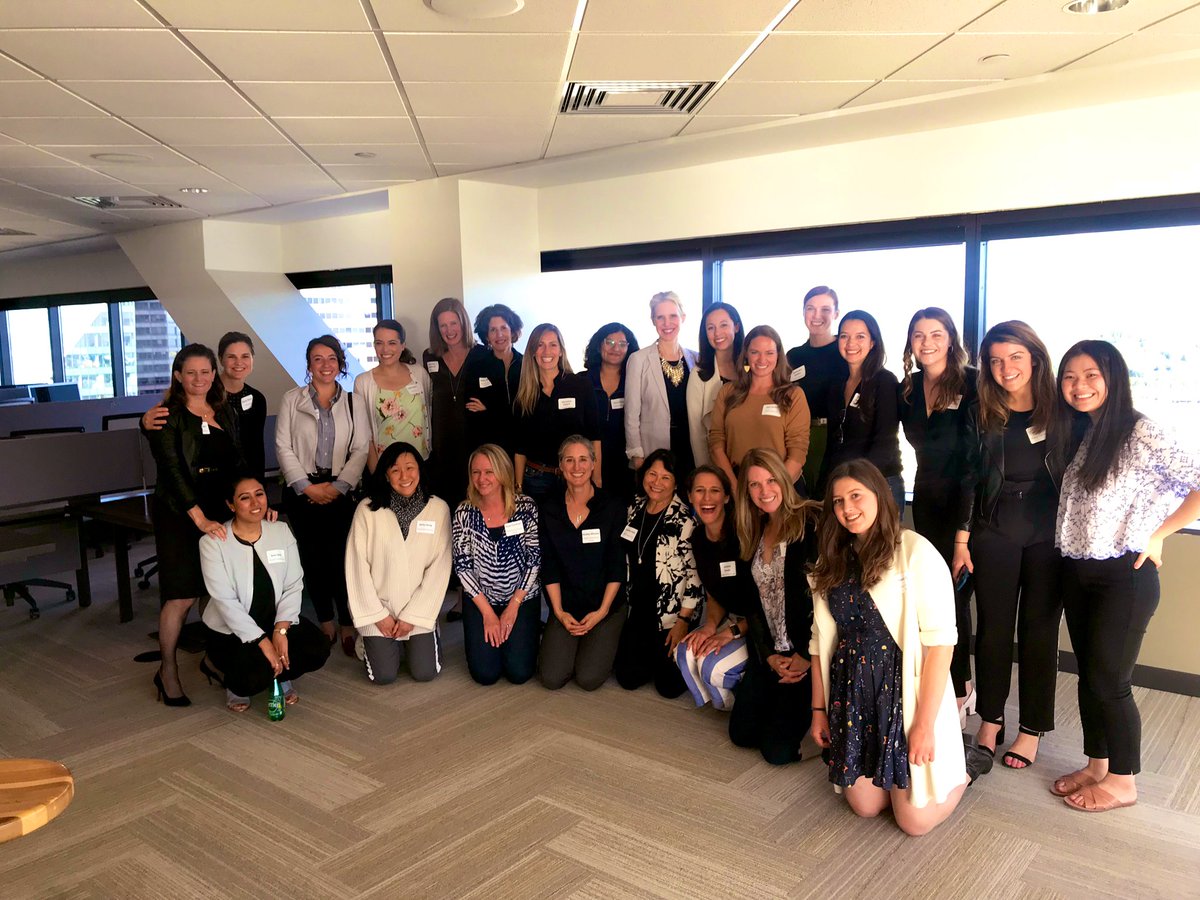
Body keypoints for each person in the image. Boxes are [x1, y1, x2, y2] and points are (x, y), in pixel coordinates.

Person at [1051, 341, 1200, 812]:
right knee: (1090, 676)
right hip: (1080, 571)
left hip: (1125, 575)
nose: (1079, 386)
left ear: (1113, 378)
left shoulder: (1140, 431)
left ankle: (1122, 780)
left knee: (1110, 681)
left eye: (1090, 375)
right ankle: (1097, 764)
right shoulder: (1087, 432)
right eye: (1069, 377)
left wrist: (1159, 534)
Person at [810, 459, 968, 835]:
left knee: (914, 823)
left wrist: (924, 726)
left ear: (879, 496)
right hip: (853, 690)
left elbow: (941, 644)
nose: (847, 508)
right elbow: (818, 642)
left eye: (856, 496)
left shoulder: (915, 552)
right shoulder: (832, 560)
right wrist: (818, 711)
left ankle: (964, 771)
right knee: (865, 807)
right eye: (838, 501)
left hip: (902, 692)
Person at [953, 321, 1061, 771]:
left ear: (1034, 358)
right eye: (995, 360)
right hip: (994, 528)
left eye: (1015, 357)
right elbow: (969, 476)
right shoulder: (980, 410)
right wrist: (961, 539)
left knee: (1039, 631)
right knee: (993, 629)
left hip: (1049, 534)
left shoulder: (1062, 408)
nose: (1005, 368)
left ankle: (1031, 728)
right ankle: (991, 720)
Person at [145, 343, 245, 706]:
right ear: (178, 376)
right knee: (182, 594)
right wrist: (199, 518)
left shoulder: (224, 410)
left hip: (218, 508)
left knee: (215, 590)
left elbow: (237, 462)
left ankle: (213, 659)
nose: (199, 379)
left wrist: (249, 502)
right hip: (180, 512)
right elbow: (172, 472)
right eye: (191, 373)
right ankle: (168, 669)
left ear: (214, 374)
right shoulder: (166, 415)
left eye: (205, 372)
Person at [898, 307, 979, 720]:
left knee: (957, 598)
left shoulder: (972, 382)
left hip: (967, 505)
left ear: (950, 339)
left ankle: (963, 690)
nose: (926, 342)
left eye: (935, 334)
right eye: (918, 335)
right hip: (927, 501)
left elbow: (974, 464)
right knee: (936, 597)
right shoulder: (909, 388)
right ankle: (943, 682)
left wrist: (963, 535)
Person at [199, 475, 329, 711]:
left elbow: (294, 584)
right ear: (231, 505)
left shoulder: (280, 530)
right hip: (232, 629)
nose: (255, 502)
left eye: (259, 494)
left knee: (317, 648)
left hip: (273, 619)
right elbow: (225, 601)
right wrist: (262, 642)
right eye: (244, 498)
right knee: (249, 680)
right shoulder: (213, 542)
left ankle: (280, 675)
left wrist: (281, 629)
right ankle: (221, 670)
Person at [276, 335, 371, 657]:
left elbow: (361, 449)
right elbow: (283, 447)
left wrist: (339, 486)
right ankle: (326, 620)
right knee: (313, 558)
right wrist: (306, 486)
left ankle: (347, 622)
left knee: (343, 558)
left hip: (341, 490)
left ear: (340, 363)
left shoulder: (354, 402)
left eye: (331, 358)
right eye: (318, 359)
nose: (325, 365)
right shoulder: (292, 400)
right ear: (309, 365)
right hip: (302, 491)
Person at [728, 448, 819, 764]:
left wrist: (807, 655)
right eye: (754, 484)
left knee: (777, 752)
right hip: (771, 652)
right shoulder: (751, 530)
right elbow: (751, 603)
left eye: (770, 480)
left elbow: (827, 600)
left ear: (783, 479)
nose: (764, 491)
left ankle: (822, 738)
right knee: (742, 734)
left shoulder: (810, 522)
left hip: (807, 652)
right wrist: (767, 655)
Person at [345, 442, 452, 685]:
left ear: (420, 470)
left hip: (418, 611)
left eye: (410, 467)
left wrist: (413, 616)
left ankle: (425, 632)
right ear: (386, 475)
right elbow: (356, 566)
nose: (404, 476)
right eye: (395, 470)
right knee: (384, 676)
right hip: (378, 610)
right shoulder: (367, 510)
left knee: (425, 673)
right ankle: (368, 638)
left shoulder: (438, 509)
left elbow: (440, 568)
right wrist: (377, 615)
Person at [538, 436, 627, 691]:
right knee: (551, 678)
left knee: (588, 678)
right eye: (569, 460)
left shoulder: (613, 506)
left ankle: (604, 638)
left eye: (583, 460)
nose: (577, 467)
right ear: (560, 466)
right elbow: (549, 565)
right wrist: (558, 612)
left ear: (593, 463)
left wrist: (602, 611)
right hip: (566, 606)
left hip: (605, 605)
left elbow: (617, 565)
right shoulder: (549, 507)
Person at [614, 449, 703, 697]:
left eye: (665, 477)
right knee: (627, 678)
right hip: (639, 610)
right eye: (652, 474)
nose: (657, 482)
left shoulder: (684, 521)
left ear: (676, 483)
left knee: (669, 688)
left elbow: (695, 578)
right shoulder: (634, 508)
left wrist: (683, 621)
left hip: (671, 615)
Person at [451, 444, 541, 685]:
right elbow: (462, 567)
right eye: (476, 472)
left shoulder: (526, 507)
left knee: (519, 673)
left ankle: (523, 637)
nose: (482, 479)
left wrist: (513, 606)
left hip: (521, 598)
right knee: (485, 674)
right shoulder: (464, 512)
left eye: (489, 472)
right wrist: (488, 614)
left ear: (503, 472)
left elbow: (534, 560)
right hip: (481, 600)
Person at [675, 465, 754, 710]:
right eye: (699, 490)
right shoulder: (698, 539)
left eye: (715, 491)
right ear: (690, 496)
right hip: (729, 617)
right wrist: (710, 626)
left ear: (727, 497)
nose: (707, 498)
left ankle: (744, 693)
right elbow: (713, 594)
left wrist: (730, 633)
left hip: (758, 624)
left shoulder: (744, 534)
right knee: (685, 653)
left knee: (712, 669)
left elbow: (765, 606)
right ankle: (723, 699)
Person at [141, 331, 267, 482]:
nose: (238, 362)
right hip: (197, 484)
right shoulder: (203, 396)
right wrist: (143, 423)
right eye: (231, 357)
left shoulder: (256, 399)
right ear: (221, 360)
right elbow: (172, 463)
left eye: (245, 356)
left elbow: (256, 449)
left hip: (241, 482)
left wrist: (257, 487)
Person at [708, 324, 810, 492]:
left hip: (782, 486)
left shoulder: (793, 395)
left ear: (778, 356)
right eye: (755, 352)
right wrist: (735, 488)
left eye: (769, 353)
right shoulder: (727, 392)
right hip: (736, 484)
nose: (762, 360)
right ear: (746, 355)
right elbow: (716, 442)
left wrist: (770, 491)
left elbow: (798, 452)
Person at [819, 309, 902, 511]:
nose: (851, 343)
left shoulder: (884, 381)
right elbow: (832, 443)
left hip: (878, 483)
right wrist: (823, 488)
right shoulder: (837, 385)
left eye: (860, 337)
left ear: (872, 342)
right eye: (844, 336)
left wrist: (858, 485)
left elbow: (884, 443)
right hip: (843, 486)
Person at [513, 323, 601, 503]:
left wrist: (596, 478)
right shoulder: (524, 393)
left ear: (561, 351)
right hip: (536, 480)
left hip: (576, 476)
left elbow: (595, 437)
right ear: (532, 351)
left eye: (553, 345)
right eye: (540, 345)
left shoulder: (580, 385)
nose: (547, 351)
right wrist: (519, 487)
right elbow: (520, 447)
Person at [624, 291, 699, 474]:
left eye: (673, 316)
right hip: (653, 451)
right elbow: (631, 414)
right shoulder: (639, 360)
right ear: (653, 320)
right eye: (660, 317)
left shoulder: (696, 359)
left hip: (691, 448)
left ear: (683, 318)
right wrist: (636, 455)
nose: (667, 323)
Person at [786, 286, 848, 490]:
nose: (817, 315)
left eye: (825, 309)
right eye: (810, 309)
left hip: (837, 438)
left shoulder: (846, 352)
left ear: (836, 314)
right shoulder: (793, 356)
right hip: (799, 438)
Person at [354, 319, 432, 472]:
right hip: (385, 466)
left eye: (392, 343)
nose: (385, 349)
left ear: (403, 345)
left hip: (421, 463)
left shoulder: (419, 373)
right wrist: (376, 472)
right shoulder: (363, 382)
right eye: (379, 343)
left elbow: (430, 408)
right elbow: (363, 433)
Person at [424, 297, 477, 510]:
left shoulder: (482, 355)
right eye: (443, 325)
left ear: (463, 323)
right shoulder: (429, 357)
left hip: (473, 446)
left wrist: (488, 407)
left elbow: (498, 398)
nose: (449, 330)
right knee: (443, 510)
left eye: (454, 323)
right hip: (441, 450)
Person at [581, 323, 640, 499]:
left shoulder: (635, 383)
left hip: (626, 467)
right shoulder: (582, 381)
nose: (616, 349)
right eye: (610, 342)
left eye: (622, 344)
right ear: (599, 345)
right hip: (587, 465)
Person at [686, 302, 744, 468]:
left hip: (749, 458)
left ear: (736, 327)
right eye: (711, 328)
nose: (717, 333)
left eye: (723, 325)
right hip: (715, 462)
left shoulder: (750, 367)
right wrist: (706, 471)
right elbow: (696, 431)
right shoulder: (699, 374)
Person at [464, 303, 523, 458]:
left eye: (504, 328)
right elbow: (473, 416)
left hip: (522, 450)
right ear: (487, 336)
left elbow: (527, 414)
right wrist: (505, 413)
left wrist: (488, 410)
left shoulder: (527, 366)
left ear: (512, 331)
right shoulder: (476, 369)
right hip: (489, 450)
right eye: (493, 330)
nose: (499, 335)